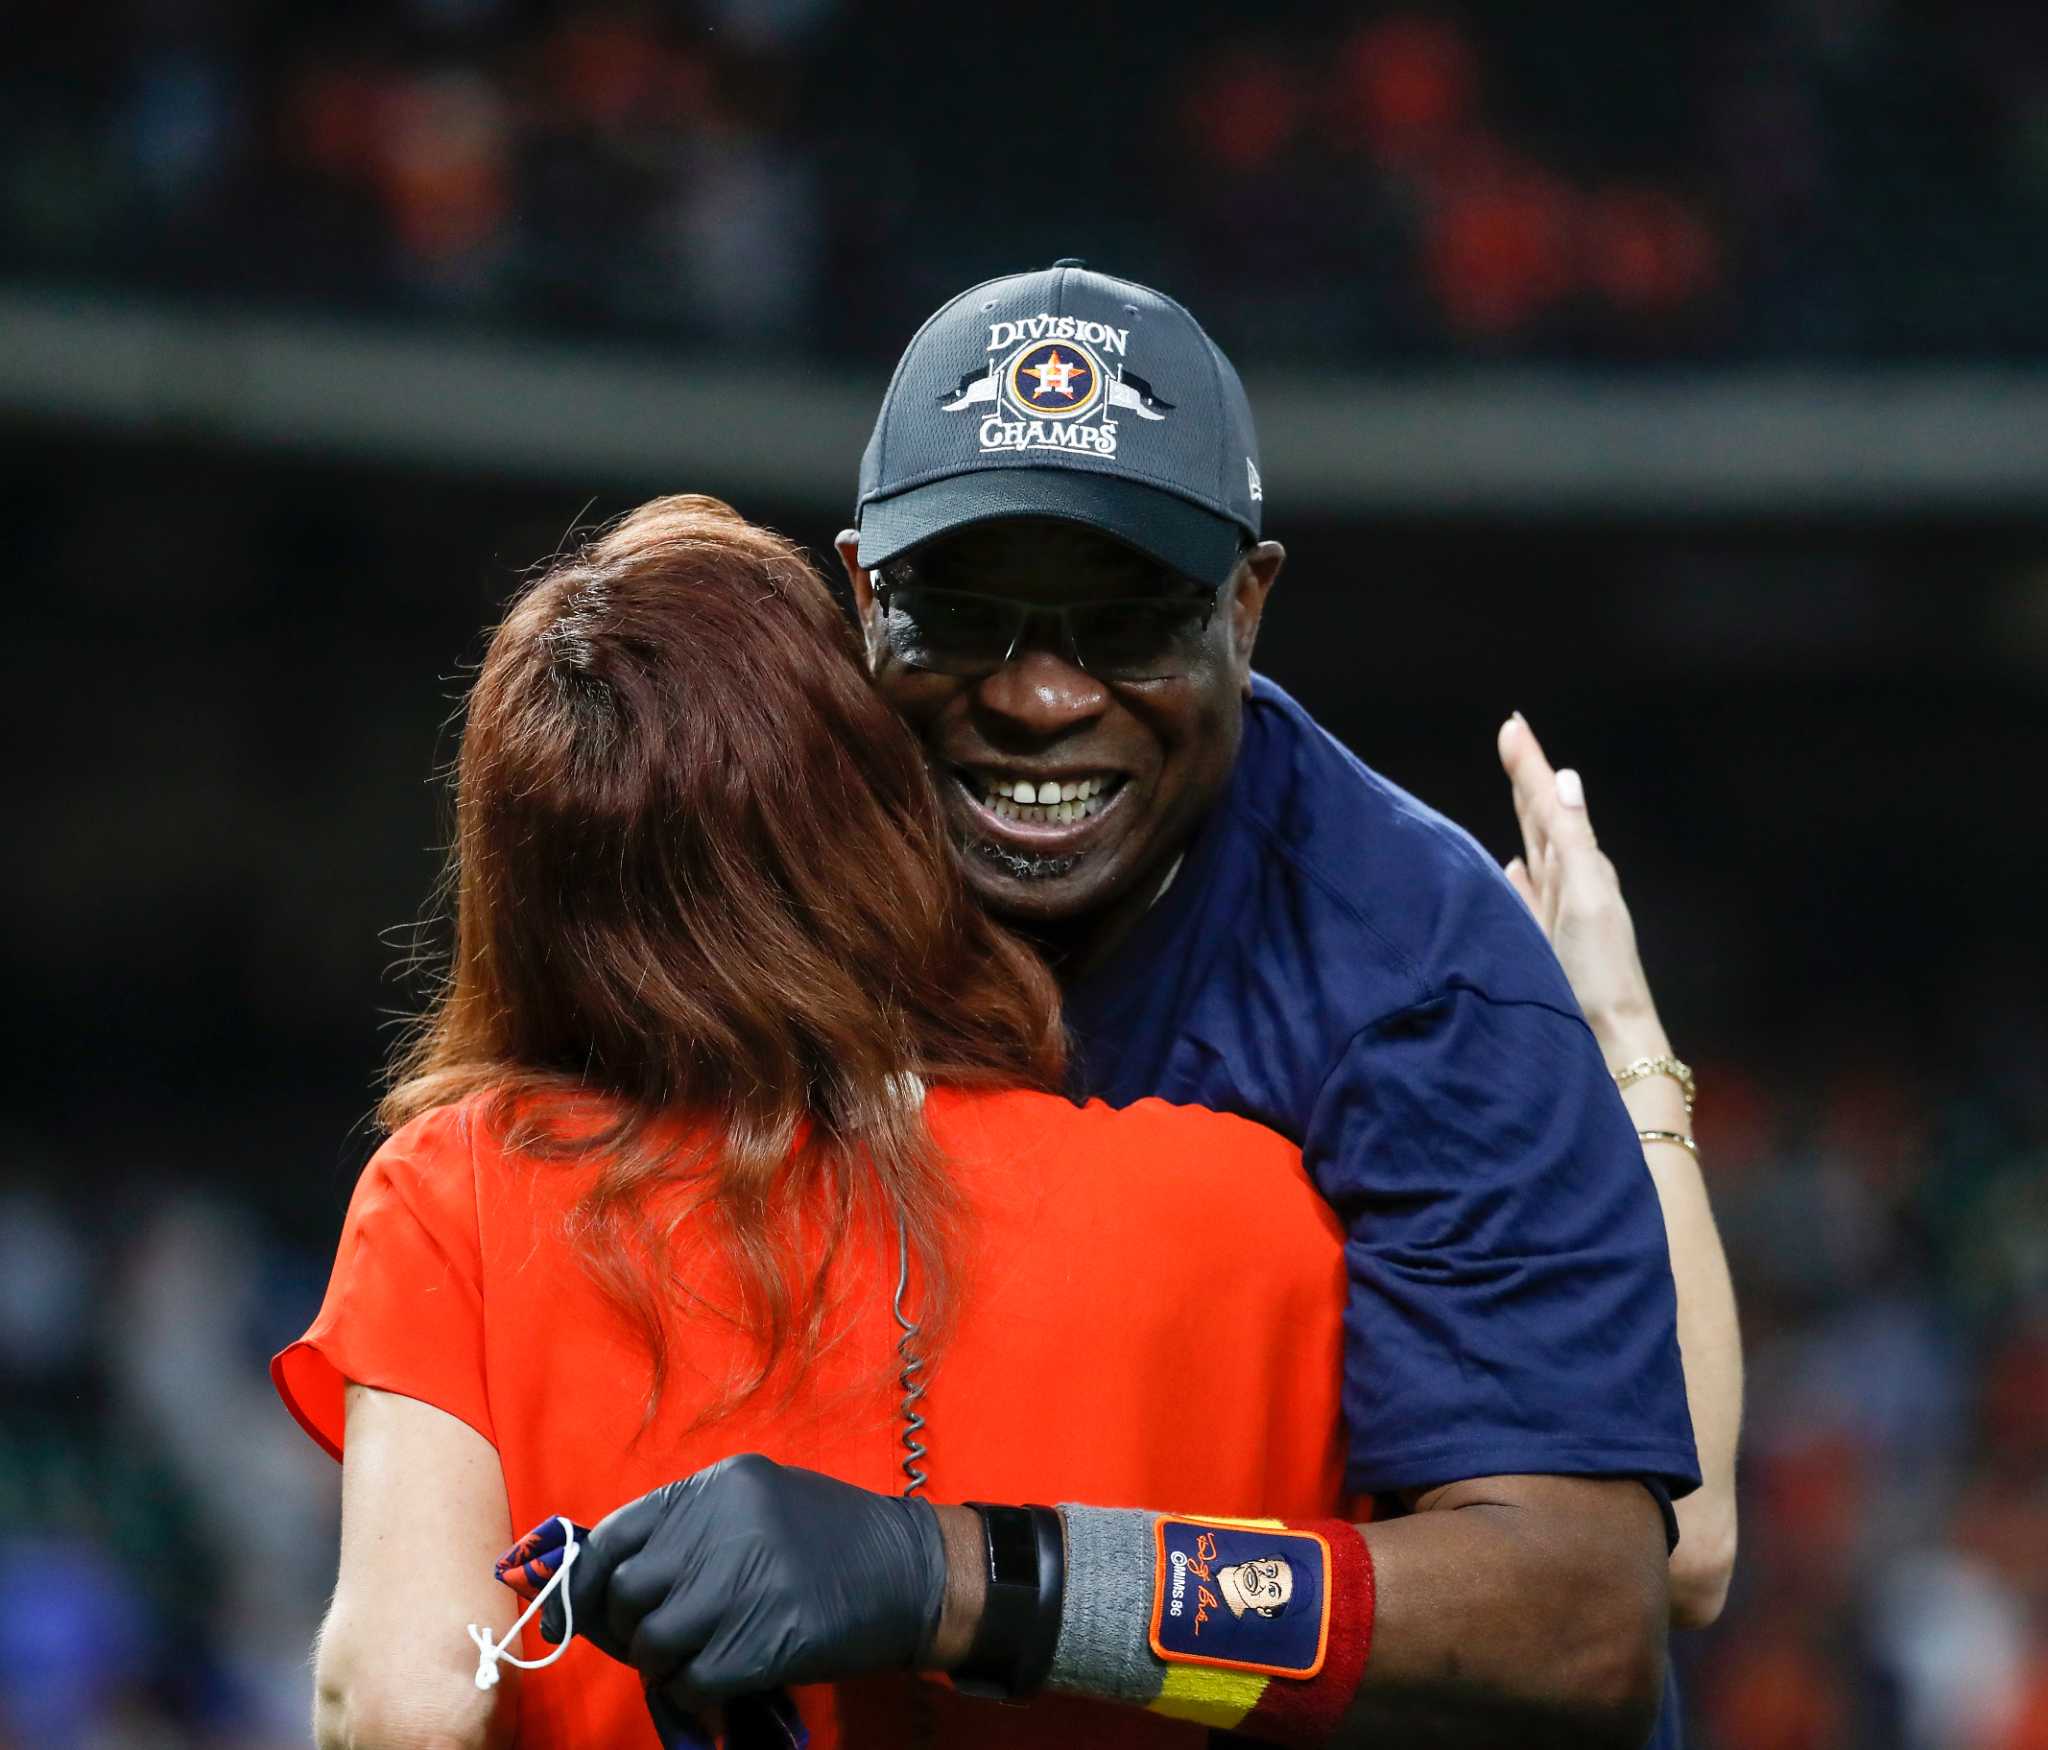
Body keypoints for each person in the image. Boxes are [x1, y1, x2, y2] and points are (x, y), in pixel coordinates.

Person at [282, 492, 1693, 1749]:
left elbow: (410, 1703)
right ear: (869, 803)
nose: (1035, 699)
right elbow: (1640, 1576)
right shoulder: (1254, 1196)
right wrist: (1628, 1057)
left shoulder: (453, 1195)